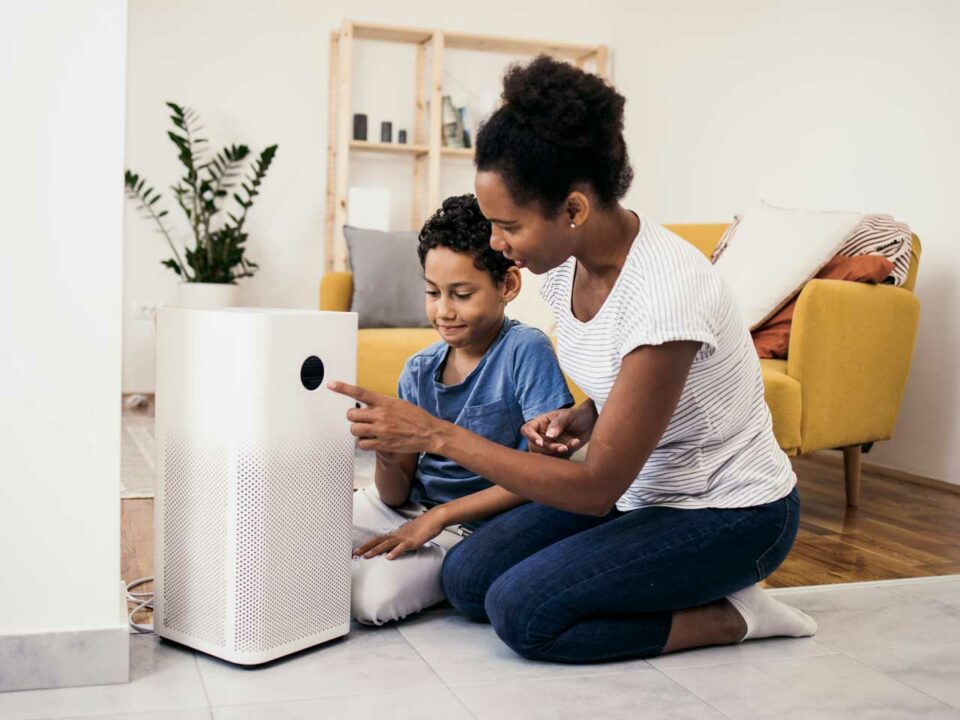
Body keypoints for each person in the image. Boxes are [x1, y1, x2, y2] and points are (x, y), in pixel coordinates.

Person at [332, 56, 816, 661]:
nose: (495, 244)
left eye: (507, 225)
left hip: (729, 513)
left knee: (523, 614)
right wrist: (585, 415)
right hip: (640, 495)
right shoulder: (564, 267)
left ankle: (735, 615)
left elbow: (593, 487)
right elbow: (639, 386)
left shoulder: (667, 293)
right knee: (467, 580)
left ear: (575, 209)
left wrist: (434, 433)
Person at [350, 193, 574, 626]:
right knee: (299, 526)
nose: (443, 311)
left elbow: (545, 480)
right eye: (433, 292)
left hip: (476, 521)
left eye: (462, 293)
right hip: (413, 507)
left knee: (369, 600)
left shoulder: (524, 351)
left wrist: (439, 516)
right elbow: (396, 494)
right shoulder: (418, 370)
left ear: (507, 285)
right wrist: (385, 451)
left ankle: (394, 566)